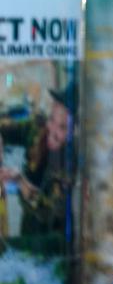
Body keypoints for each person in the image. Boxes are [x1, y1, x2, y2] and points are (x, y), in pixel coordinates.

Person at [0, 82, 74, 238]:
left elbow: (49, 212)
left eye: (62, 128)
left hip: (53, 243)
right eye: (52, 119)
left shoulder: (71, 163)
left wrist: (20, 181)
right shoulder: (37, 128)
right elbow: (8, 128)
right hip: (28, 227)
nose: (51, 130)